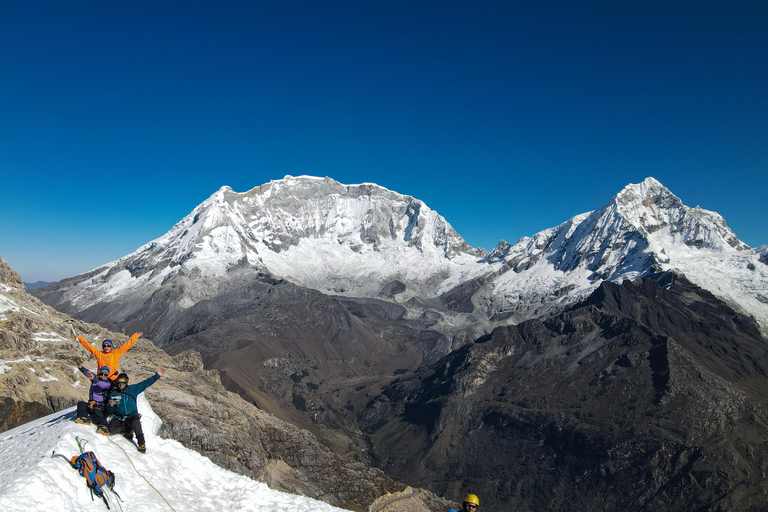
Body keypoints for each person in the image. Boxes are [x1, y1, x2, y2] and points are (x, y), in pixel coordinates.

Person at [105, 369, 165, 453]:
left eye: (123, 382)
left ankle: (141, 444)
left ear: (127, 382)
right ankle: (128, 430)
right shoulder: (114, 393)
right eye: (119, 381)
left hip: (131, 415)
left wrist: (157, 376)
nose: (121, 384)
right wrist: (110, 406)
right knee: (111, 429)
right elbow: (109, 409)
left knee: (136, 423)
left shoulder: (133, 389)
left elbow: (145, 383)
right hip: (119, 417)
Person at [77, 332, 143, 381]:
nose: (106, 347)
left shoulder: (116, 353)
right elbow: (89, 347)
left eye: (108, 345)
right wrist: (80, 338)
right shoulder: (99, 354)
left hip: (114, 378)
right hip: (101, 378)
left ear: (111, 346)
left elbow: (127, 345)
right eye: (104, 346)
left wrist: (135, 336)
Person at [75, 364, 112, 435]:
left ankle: (103, 426)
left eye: (105, 375)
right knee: (81, 404)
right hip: (91, 402)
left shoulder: (107, 383)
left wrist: (93, 379)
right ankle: (84, 418)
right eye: (101, 374)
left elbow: (101, 384)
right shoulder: (95, 378)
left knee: (97, 410)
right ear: (99, 373)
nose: (103, 376)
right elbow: (88, 373)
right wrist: (81, 368)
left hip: (101, 404)